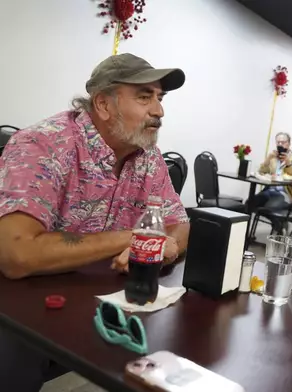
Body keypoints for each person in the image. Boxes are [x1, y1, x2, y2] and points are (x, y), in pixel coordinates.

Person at [0, 53, 190, 392]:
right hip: (23, 301)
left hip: (101, 296)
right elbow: (17, 255)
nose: (159, 111)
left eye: (160, 98)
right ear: (103, 104)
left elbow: (179, 223)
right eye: (145, 96)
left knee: (179, 340)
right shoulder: (43, 145)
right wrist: (132, 237)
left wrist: (168, 245)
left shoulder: (147, 156)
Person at [253, 132, 292, 232]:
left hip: (285, 193)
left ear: (289, 143)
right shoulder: (273, 158)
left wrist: (288, 164)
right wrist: (268, 158)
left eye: (283, 142)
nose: (280, 145)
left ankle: (279, 227)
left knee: (269, 208)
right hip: (270, 190)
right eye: (278, 142)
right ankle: (280, 224)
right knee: (250, 204)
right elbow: (260, 172)